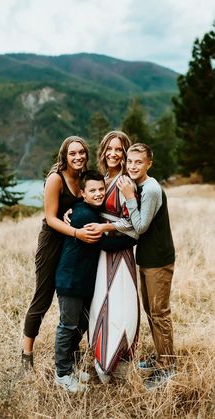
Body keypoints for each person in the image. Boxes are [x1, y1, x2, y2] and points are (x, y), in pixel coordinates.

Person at [21, 136, 101, 370]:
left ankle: (70, 353)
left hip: (72, 246)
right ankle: (27, 354)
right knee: (43, 297)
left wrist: (73, 211)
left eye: (81, 153)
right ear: (64, 156)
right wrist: (76, 232)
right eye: (72, 153)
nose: (78, 157)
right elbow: (50, 218)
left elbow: (83, 203)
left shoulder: (82, 179)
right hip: (53, 242)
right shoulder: (56, 178)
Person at [54, 170, 137, 393]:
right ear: (82, 193)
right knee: (68, 326)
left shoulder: (89, 210)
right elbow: (106, 246)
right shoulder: (84, 215)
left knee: (80, 325)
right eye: (93, 190)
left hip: (82, 281)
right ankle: (61, 373)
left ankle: (70, 367)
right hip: (70, 282)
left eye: (101, 189)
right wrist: (134, 237)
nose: (99, 193)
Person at [116, 142, 175, 390]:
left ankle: (168, 366)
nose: (132, 165)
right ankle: (161, 356)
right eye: (129, 161)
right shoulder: (137, 185)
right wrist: (110, 226)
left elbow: (139, 227)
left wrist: (129, 197)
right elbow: (134, 222)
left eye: (138, 162)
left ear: (149, 163)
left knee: (159, 312)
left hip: (159, 260)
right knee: (151, 310)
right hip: (146, 258)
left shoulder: (149, 189)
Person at [85, 131, 140, 384]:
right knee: (100, 302)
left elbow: (133, 222)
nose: (113, 153)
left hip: (119, 247)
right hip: (100, 251)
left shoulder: (126, 182)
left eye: (119, 149)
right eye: (109, 148)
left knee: (120, 303)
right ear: (103, 150)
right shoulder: (104, 178)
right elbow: (90, 201)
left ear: (125, 153)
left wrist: (106, 230)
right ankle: (100, 357)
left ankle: (118, 358)